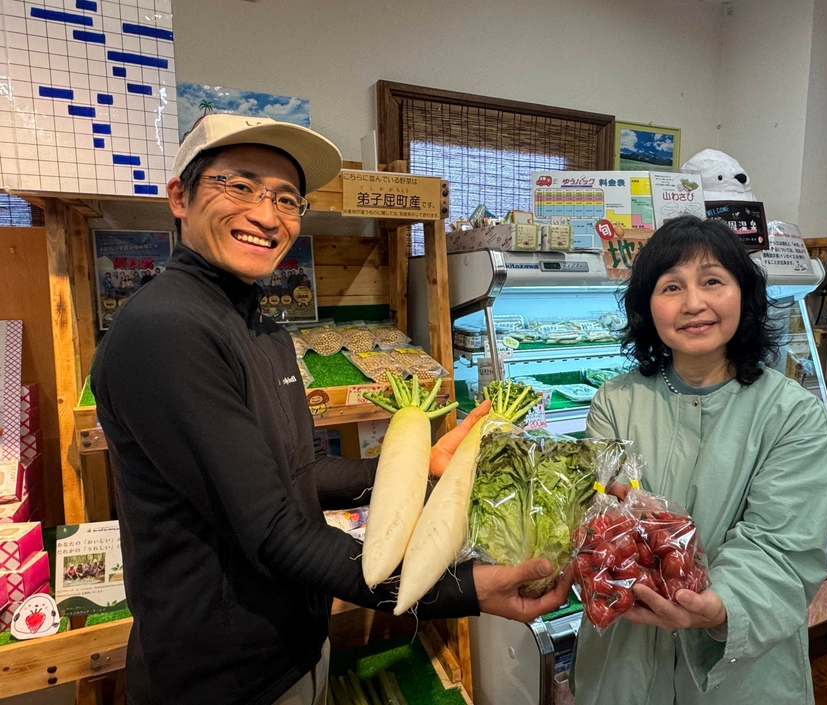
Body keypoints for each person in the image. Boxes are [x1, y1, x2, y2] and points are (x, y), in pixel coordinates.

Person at [90, 115, 571, 705]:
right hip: (221, 676)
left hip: (292, 646)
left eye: (286, 199)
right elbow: (274, 533)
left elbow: (301, 475)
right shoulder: (166, 331)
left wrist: (419, 468)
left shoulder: (259, 329)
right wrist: (464, 590)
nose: (266, 216)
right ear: (180, 197)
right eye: (238, 187)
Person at [572, 216, 827, 704]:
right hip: (625, 663)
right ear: (647, 307)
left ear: (744, 293)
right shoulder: (614, 402)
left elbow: (781, 547)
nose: (694, 303)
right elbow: (604, 518)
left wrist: (719, 605)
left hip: (744, 672)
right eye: (671, 286)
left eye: (713, 281)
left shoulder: (793, 414)